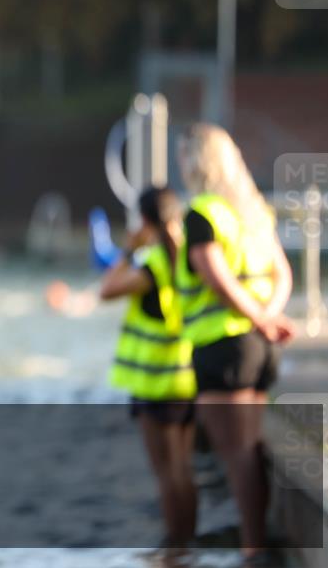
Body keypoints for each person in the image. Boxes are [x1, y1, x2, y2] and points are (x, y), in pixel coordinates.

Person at [176, 123, 295, 564]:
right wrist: (269, 319)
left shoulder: (201, 214)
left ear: (196, 161)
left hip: (222, 347)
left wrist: (260, 318)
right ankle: (258, 539)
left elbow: (217, 279)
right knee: (249, 443)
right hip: (258, 346)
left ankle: (253, 548)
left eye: (183, 154)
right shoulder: (253, 212)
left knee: (236, 452)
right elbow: (282, 273)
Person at [101, 187, 197, 551]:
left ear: (143, 221)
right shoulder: (189, 255)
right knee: (184, 469)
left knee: (167, 474)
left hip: (155, 382)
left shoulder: (153, 263)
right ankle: (190, 545)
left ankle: (176, 546)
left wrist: (128, 248)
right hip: (187, 376)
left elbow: (106, 289)